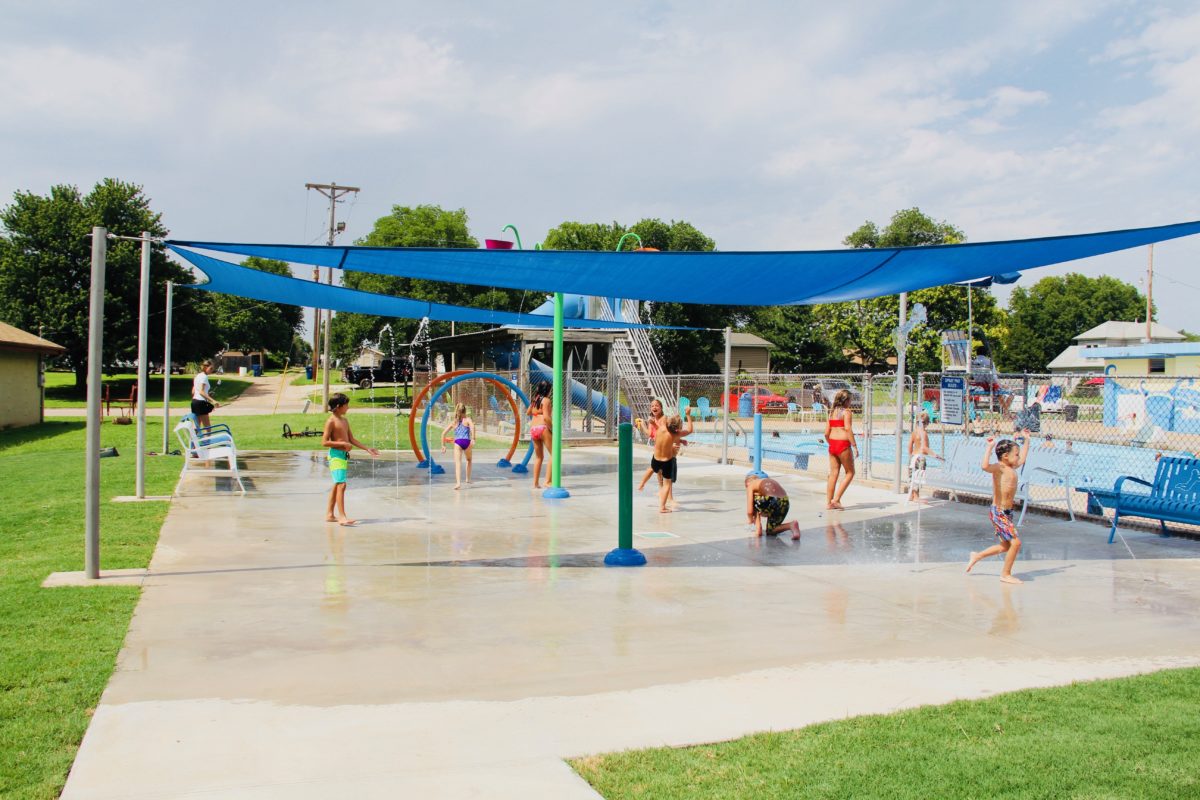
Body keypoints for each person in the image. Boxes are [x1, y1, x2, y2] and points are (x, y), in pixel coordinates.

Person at [967, 431, 1032, 584]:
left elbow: (1023, 459)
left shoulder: (1012, 466)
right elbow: (984, 466)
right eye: (1016, 454)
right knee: (1016, 543)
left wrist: (1027, 441)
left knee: (1005, 546)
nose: (1018, 457)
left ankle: (977, 556)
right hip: (998, 512)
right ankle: (1005, 574)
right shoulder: (1000, 467)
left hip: (1007, 513)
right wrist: (989, 447)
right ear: (1005, 456)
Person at [321, 393, 379, 526]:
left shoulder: (344, 421)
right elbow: (324, 442)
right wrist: (342, 444)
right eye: (346, 405)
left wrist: (367, 449)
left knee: (337, 484)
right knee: (342, 484)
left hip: (342, 456)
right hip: (335, 456)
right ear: (338, 406)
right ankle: (342, 517)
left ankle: (330, 514)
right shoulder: (331, 421)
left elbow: (351, 439)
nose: (348, 407)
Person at [824, 389, 858, 510]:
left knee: (833, 473)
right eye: (850, 400)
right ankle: (836, 499)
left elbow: (826, 433)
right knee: (850, 472)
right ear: (846, 401)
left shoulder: (831, 412)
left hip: (832, 443)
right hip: (843, 444)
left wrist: (831, 443)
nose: (851, 402)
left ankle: (829, 502)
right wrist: (854, 446)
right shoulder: (846, 412)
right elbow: (848, 429)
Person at [652, 413, 692, 513]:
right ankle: (667, 502)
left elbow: (663, 434)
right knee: (668, 482)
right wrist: (688, 415)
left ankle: (664, 498)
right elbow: (690, 430)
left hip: (660, 458)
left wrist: (681, 441)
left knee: (665, 480)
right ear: (678, 428)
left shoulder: (664, 429)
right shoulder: (676, 433)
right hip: (670, 458)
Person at [440, 402, 475, 490]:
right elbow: (472, 427)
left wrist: (443, 445)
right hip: (467, 442)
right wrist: (473, 438)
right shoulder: (467, 420)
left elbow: (443, 433)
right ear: (465, 411)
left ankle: (458, 483)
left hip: (458, 443)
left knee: (458, 463)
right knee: (469, 460)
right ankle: (467, 479)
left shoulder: (454, 422)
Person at [907, 411, 940, 503]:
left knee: (912, 476)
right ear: (926, 423)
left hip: (913, 457)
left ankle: (911, 495)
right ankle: (916, 496)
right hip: (920, 458)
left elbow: (910, 445)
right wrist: (935, 455)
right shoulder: (924, 433)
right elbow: (925, 448)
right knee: (918, 477)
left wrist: (911, 454)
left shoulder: (914, 432)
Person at [636, 399, 667, 492]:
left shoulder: (664, 418)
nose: (654, 407)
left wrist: (653, 423)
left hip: (665, 447)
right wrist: (643, 424)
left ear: (661, 408)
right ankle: (661, 488)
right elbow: (649, 434)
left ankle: (642, 483)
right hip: (658, 448)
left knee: (655, 468)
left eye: (657, 405)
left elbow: (663, 431)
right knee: (659, 470)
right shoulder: (651, 420)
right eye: (652, 406)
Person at [528, 382, 553, 489]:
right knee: (554, 454)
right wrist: (552, 429)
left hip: (533, 428)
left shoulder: (535, 399)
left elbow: (528, 412)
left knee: (539, 457)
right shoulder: (546, 400)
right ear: (547, 390)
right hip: (543, 428)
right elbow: (546, 417)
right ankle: (547, 482)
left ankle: (535, 483)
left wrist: (536, 413)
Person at [191, 359, 219, 428]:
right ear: (206, 367)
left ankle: (193, 435)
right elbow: (201, 392)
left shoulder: (198, 376)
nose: (212, 370)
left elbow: (193, 391)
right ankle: (207, 436)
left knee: (197, 426)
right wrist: (213, 401)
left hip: (194, 402)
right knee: (207, 426)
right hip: (201, 403)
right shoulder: (204, 377)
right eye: (211, 368)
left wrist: (207, 394)